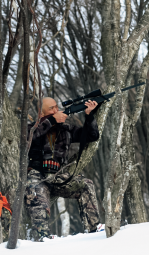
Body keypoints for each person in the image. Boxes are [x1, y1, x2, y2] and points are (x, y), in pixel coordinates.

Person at [25, 97, 100, 241]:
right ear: (41, 114)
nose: (56, 111)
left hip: (58, 176)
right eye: (51, 109)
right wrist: (51, 121)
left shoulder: (66, 129)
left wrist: (90, 115)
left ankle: (94, 230)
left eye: (56, 108)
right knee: (36, 202)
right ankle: (43, 240)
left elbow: (92, 135)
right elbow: (27, 138)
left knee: (86, 185)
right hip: (37, 176)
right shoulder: (32, 127)